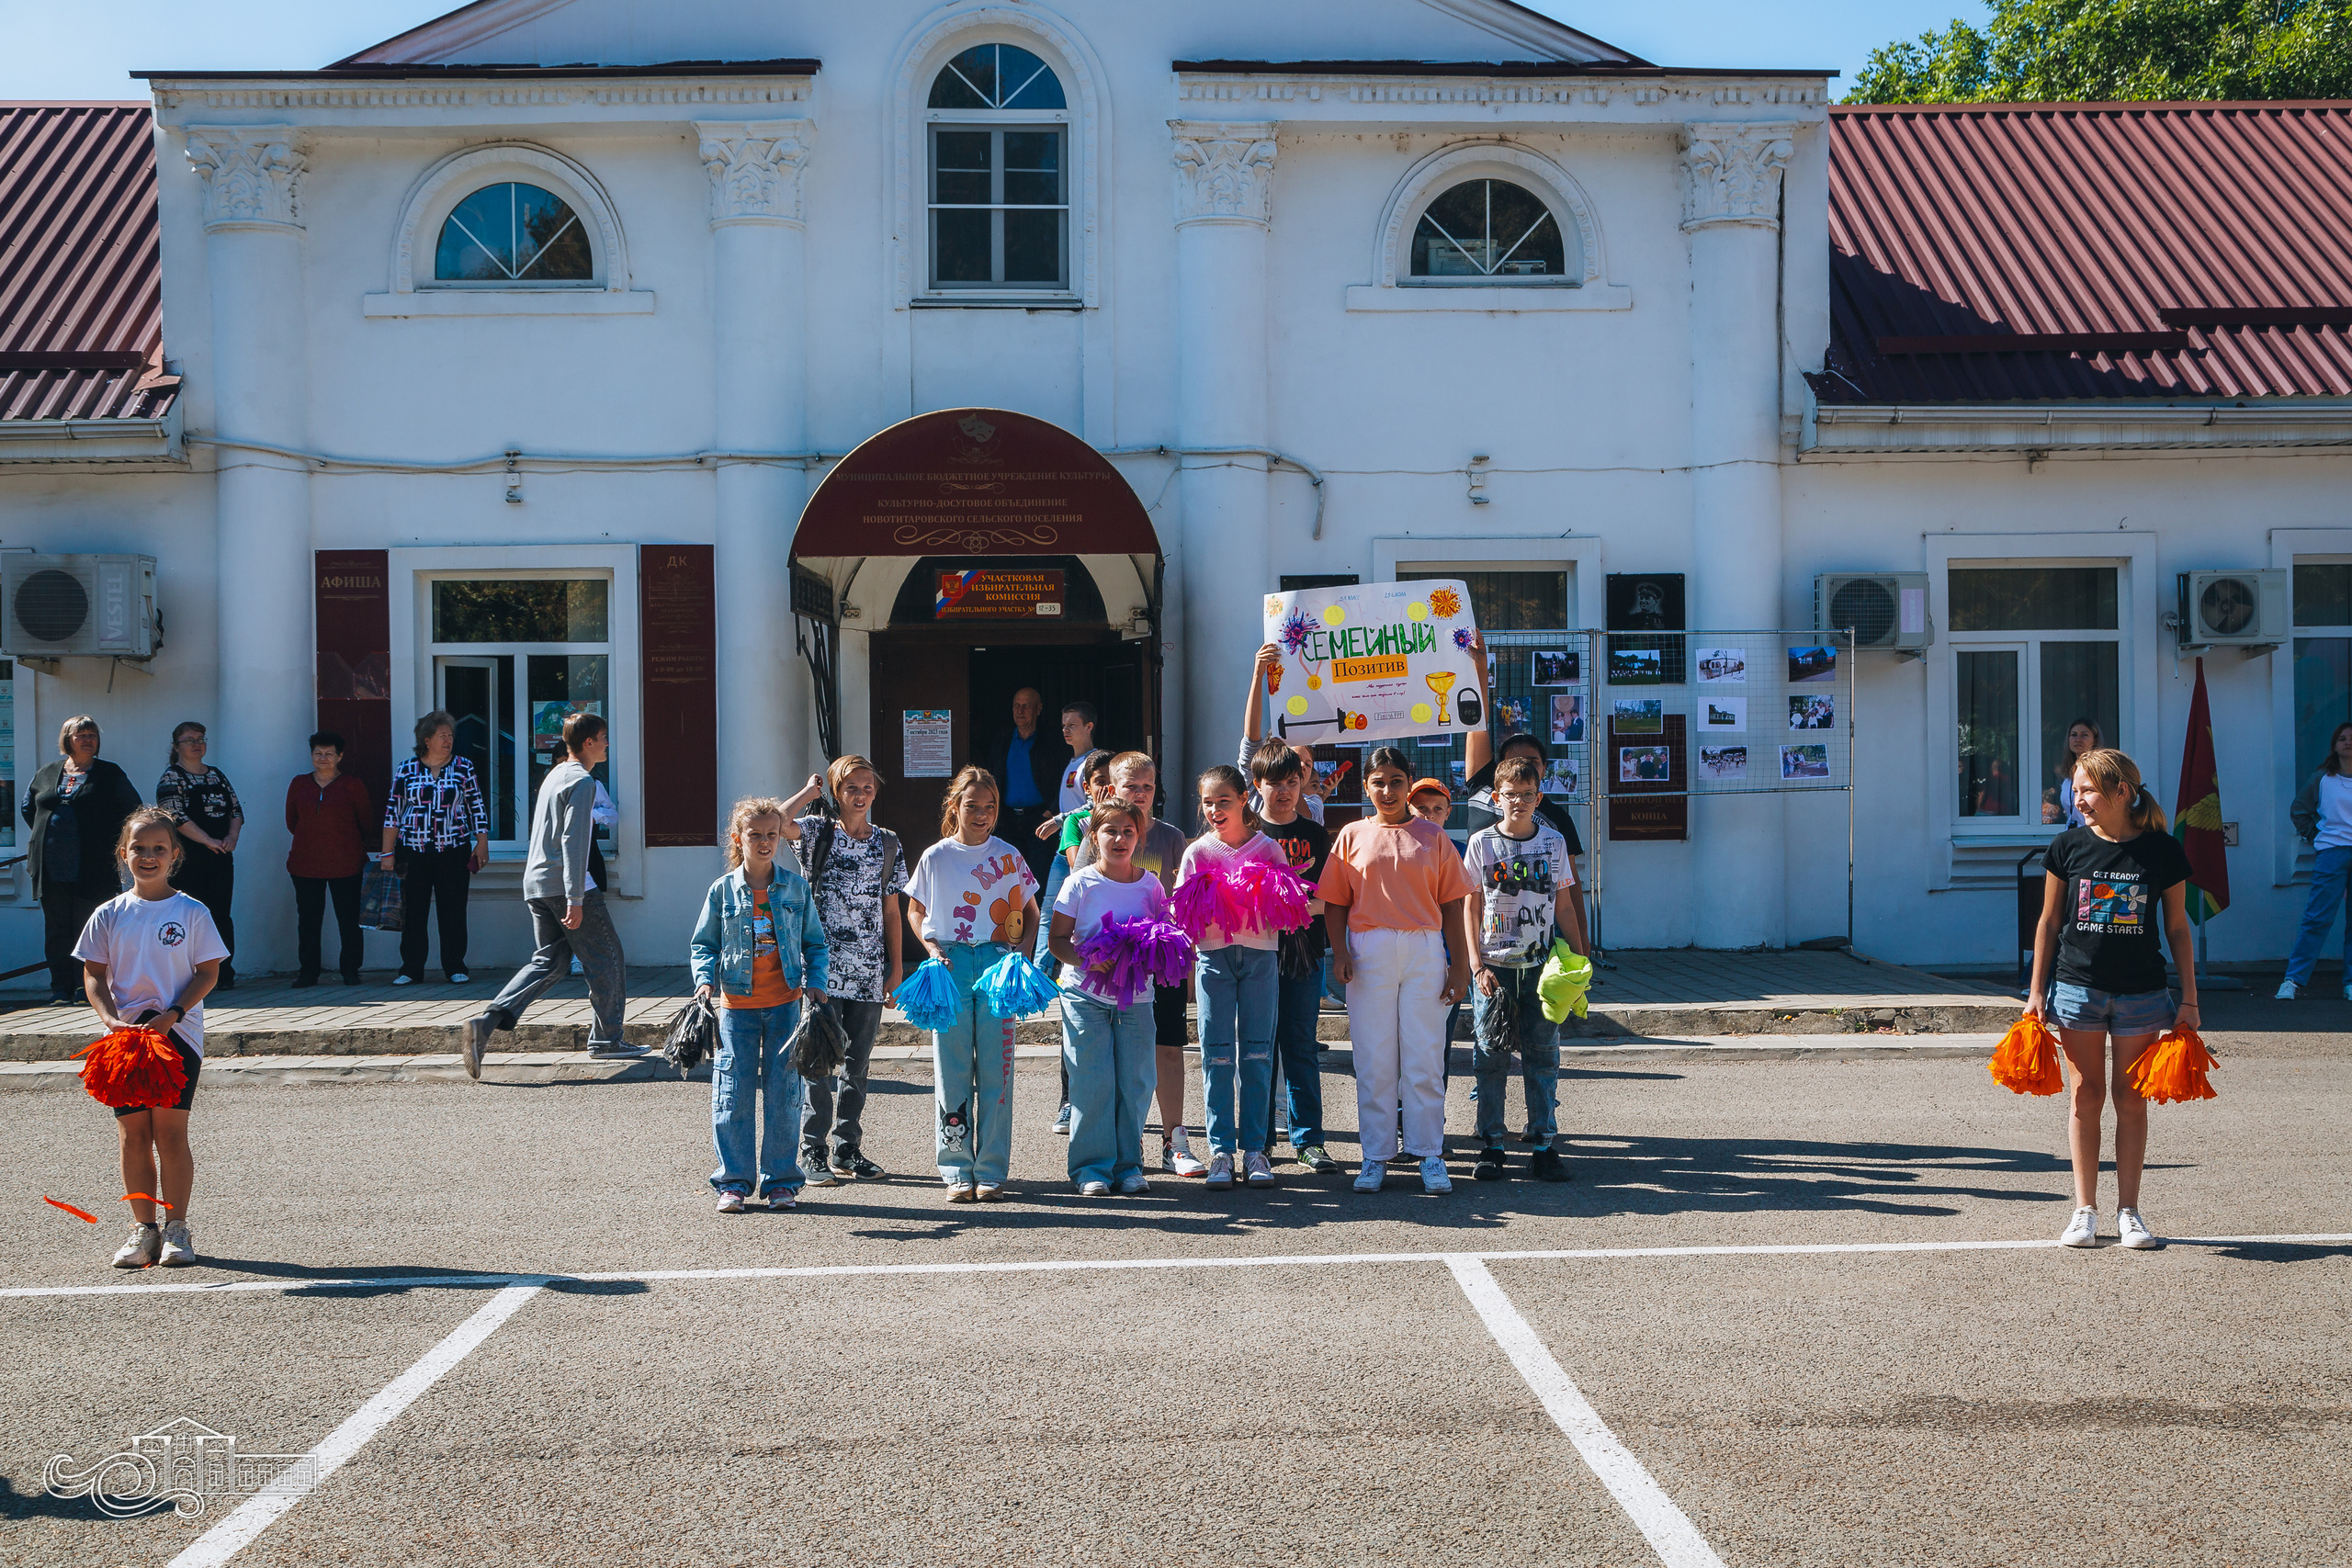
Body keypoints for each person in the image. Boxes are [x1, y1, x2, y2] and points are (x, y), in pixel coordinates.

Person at [2026, 747, 2199, 1251]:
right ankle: (2084, 1211)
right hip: (2077, 989)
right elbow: (2049, 923)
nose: (2077, 799)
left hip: (2143, 993)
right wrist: (2036, 992)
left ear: (2123, 791)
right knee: (2085, 1095)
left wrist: (2188, 999)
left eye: (2087, 790)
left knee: (2130, 1099)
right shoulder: (2067, 846)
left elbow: (2177, 929)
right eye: (2074, 789)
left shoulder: (2163, 851)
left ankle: (2129, 1212)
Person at [76, 807, 228, 1269]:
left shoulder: (192, 912)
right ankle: (144, 1230)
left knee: (170, 1133)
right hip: (126, 1040)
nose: (148, 856)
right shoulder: (108, 914)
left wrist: (174, 1013)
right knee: (132, 1135)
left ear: (174, 855)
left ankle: (177, 1228)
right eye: (138, 848)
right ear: (123, 854)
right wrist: (109, 1020)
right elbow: (94, 974)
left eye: (158, 849)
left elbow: (208, 972)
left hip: (176, 1036)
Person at [1319, 746, 1474, 1196]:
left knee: (1424, 1054)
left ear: (1409, 784)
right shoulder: (1351, 835)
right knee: (1374, 1056)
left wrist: (1458, 966)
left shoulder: (1433, 837)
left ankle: (1430, 1153)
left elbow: (1452, 904)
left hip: (1425, 948)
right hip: (1369, 949)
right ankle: (1375, 1155)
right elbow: (1334, 902)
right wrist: (1340, 953)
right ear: (1365, 787)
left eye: (1396, 781)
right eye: (1378, 782)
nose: (1387, 791)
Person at [466, 713, 628, 1077]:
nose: (606, 743)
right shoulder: (583, 781)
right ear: (588, 743)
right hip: (567, 886)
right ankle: (608, 1040)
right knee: (607, 958)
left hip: (536, 883)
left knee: (550, 962)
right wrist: (575, 898)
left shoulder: (555, 775)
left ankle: (487, 1022)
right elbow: (573, 841)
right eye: (603, 737)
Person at [905, 766, 1039, 1202]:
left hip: (999, 961)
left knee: (998, 1070)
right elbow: (915, 911)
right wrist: (930, 948)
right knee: (952, 1067)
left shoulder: (1010, 855)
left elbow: (1033, 913)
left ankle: (992, 1170)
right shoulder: (936, 856)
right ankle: (956, 1169)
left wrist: (1022, 956)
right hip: (951, 963)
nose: (981, 814)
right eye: (972, 806)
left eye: (990, 807)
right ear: (955, 807)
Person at [1072, 751, 1207, 1178]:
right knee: (1110, 1066)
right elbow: (1078, 905)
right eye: (1132, 787)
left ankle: (1174, 1142)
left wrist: (1185, 965)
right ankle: (1107, 1155)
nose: (1141, 794)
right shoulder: (1098, 834)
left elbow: (1183, 905)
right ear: (1112, 790)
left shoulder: (1171, 837)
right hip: (1106, 975)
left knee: (1168, 1051)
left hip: (1161, 964)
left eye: (1148, 787)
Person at [691, 797, 830, 1213]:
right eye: (756, 835)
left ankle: (781, 1181)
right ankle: (732, 1182)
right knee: (732, 1094)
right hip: (736, 1008)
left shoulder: (795, 887)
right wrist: (703, 984)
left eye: (772, 834)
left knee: (785, 1094)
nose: (765, 841)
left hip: (786, 1005)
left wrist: (816, 985)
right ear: (739, 838)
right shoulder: (722, 891)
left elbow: (815, 944)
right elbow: (704, 945)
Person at [779, 757, 907, 1183]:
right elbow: (777, 823)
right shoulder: (817, 832)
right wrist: (806, 794)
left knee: (858, 1065)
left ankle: (846, 1148)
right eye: (851, 787)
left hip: (869, 969)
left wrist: (896, 965)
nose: (861, 794)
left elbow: (892, 908)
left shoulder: (887, 843)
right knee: (818, 1059)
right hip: (821, 970)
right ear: (836, 792)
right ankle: (811, 1148)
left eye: (868, 787)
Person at [1464, 755, 1585, 1182]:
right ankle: (1492, 1143)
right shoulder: (1481, 843)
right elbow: (1471, 903)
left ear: (1539, 796)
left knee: (1542, 1055)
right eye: (1510, 795)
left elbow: (1565, 902)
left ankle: (1543, 1144)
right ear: (1497, 797)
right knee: (1490, 1057)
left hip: (1539, 966)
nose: (1518, 801)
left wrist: (1579, 956)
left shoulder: (1552, 843)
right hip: (1494, 967)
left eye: (1527, 794)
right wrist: (1475, 964)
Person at [1176, 763, 1290, 1191]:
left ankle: (1256, 1151)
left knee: (1258, 1055)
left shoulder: (1267, 849)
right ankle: (1221, 1151)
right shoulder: (1197, 853)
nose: (1215, 809)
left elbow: (1287, 909)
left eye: (1224, 800)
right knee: (1217, 1055)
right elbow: (1182, 913)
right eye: (1208, 802)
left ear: (1245, 799)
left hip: (1261, 959)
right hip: (1213, 959)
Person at [1049, 799, 1166, 1196]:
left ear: (1140, 837)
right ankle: (1090, 1169)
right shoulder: (1078, 883)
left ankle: (1128, 1165)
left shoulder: (1151, 885)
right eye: (1110, 831)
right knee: (1092, 1080)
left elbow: (1163, 941)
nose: (1119, 838)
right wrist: (1089, 959)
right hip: (1083, 994)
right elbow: (1057, 942)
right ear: (1093, 837)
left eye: (1128, 832)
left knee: (1135, 1081)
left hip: (1136, 998)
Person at [1461, 635, 1589, 955]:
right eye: (1512, 761)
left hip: (1535, 942)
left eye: (1532, 762)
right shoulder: (1482, 786)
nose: (1522, 767)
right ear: (1496, 768)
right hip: (1486, 940)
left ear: (1545, 769)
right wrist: (1479, 665)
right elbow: (1476, 720)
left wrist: (1583, 950)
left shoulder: (1556, 819)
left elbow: (1570, 891)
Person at [1244, 738, 1336, 1174]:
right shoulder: (1246, 835)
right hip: (1254, 955)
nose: (1284, 791)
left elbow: (1331, 899)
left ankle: (1309, 1140)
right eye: (1274, 782)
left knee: (1300, 1045)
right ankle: (1257, 1140)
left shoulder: (1316, 835)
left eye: (1292, 782)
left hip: (1304, 952)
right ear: (1256, 784)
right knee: (1258, 1048)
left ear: (1302, 783)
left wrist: (1291, 906)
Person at [25, 716, 143, 1006]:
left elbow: (133, 809)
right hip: (51, 867)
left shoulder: (110, 773)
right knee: (57, 930)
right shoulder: (47, 773)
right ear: (68, 739)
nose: (88, 739)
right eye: (81, 734)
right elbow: (29, 808)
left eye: (92, 734)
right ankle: (61, 989)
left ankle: (85, 988)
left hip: (92, 867)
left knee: (89, 929)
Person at [379, 711, 490, 986]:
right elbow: (393, 812)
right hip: (413, 851)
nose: (448, 740)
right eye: (442, 735)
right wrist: (387, 853)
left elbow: (476, 806)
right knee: (413, 910)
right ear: (426, 740)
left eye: (451, 735)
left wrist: (482, 842)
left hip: (453, 849)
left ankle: (455, 965)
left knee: (452, 910)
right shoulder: (407, 769)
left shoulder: (463, 767)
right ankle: (411, 968)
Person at [1047, 748, 1115, 1125]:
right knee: (1075, 1023)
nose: (1107, 788)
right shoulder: (1077, 822)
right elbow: (1080, 869)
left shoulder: (1129, 822)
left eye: (1112, 781)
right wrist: (1094, 826)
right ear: (1086, 787)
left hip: (1123, 936)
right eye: (1099, 782)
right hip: (1084, 938)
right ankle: (1068, 1100)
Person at [155, 721, 243, 990]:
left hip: (219, 857)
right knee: (189, 917)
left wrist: (231, 837)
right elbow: (175, 816)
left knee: (220, 915)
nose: (197, 743)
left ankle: (223, 974)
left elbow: (236, 810)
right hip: (187, 860)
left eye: (201, 738)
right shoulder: (171, 777)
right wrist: (207, 841)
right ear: (176, 747)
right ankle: (189, 976)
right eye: (190, 739)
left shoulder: (216, 774)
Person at [285, 731, 373, 987]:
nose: (323, 758)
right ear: (311, 755)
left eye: (329, 754)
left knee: (348, 920)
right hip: (305, 864)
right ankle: (308, 973)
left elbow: (365, 822)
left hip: (347, 863)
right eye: (318, 753)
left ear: (340, 756)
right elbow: (292, 821)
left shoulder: (352, 784)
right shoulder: (299, 784)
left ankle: (351, 971)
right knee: (309, 921)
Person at [2281, 719, 2352, 1000]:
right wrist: (2316, 837)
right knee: (2317, 919)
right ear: (2335, 746)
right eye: (2343, 738)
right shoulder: (2322, 778)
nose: (2348, 741)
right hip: (2332, 854)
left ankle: (2350, 983)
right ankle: (2293, 980)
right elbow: (2299, 810)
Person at [976, 687, 1069, 886]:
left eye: (1026, 706)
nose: (1020, 711)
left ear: (1038, 708)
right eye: (1016, 706)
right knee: (1006, 876)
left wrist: (1051, 811)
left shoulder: (1052, 741)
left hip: (1039, 819)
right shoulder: (1003, 740)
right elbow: (990, 775)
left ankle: (1035, 917)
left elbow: (1064, 778)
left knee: (1038, 878)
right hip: (1007, 820)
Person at [2042, 718, 2103, 827]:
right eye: (2074, 735)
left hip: (2093, 837)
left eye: (2084, 735)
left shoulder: (2100, 775)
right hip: (2073, 836)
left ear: (2095, 740)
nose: (2078, 739)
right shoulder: (2068, 779)